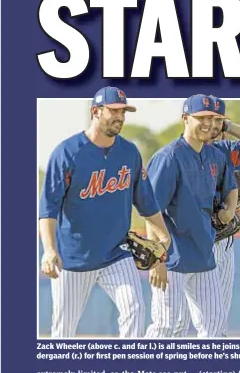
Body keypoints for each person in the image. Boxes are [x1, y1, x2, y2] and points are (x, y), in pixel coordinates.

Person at [39, 86, 170, 338]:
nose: (120, 117)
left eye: (124, 111)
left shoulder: (129, 152)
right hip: (74, 258)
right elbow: (48, 208)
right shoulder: (67, 153)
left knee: (134, 307)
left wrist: (164, 237)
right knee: (63, 332)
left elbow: (146, 203)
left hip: (116, 253)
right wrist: (49, 249)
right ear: (96, 112)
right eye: (114, 111)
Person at [174, 95, 240, 337]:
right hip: (193, 242)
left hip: (224, 243)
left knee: (216, 322)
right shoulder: (180, 153)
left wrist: (239, 214)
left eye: (217, 120)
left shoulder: (228, 152)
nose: (213, 124)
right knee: (177, 321)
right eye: (207, 118)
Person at [144, 94, 238, 338]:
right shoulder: (169, 158)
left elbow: (231, 188)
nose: (207, 123)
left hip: (204, 257)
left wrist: (229, 210)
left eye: (211, 117)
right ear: (185, 118)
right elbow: (150, 212)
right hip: (173, 259)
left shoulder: (215, 156)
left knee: (215, 329)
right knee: (165, 327)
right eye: (201, 117)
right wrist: (156, 259)